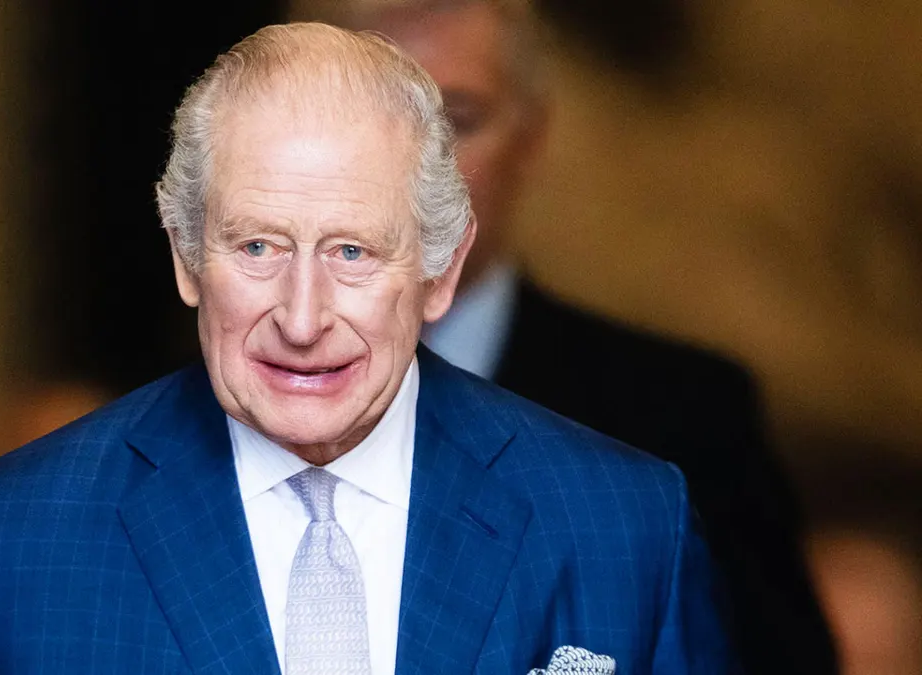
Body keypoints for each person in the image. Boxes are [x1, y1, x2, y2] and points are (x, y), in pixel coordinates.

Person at [0, 23, 735, 673]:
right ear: (186, 256)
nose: (301, 318)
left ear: (441, 270)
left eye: (352, 252)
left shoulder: (623, 525)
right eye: (258, 246)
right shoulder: (17, 536)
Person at [292, 1, 837, 672]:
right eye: (368, 119)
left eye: (457, 120)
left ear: (530, 139)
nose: (411, 167)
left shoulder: (680, 423)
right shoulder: (202, 412)